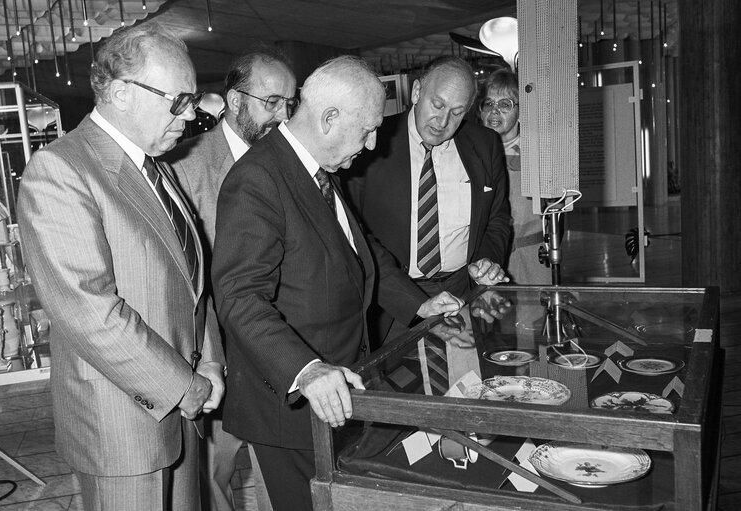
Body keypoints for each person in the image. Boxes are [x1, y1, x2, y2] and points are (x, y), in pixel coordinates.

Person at [211, 55, 463, 511]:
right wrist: (304, 369)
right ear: (329, 118)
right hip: (293, 405)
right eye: (366, 130)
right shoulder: (257, 180)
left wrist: (419, 304)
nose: (370, 146)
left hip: (339, 389)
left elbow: (361, 252)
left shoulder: (317, 169)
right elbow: (239, 297)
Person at [17, 23, 224, 511]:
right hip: (123, 427)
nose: (191, 115)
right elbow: (89, 311)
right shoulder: (60, 170)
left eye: (192, 100)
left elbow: (193, 282)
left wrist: (210, 359)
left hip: (183, 406)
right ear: (120, 93)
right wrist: (184, 386)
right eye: (178, 101)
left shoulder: (158, 167)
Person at [167, 47, 296, 511]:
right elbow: (183, 279)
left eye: (290, 104)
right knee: (215, 476)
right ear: (235, 101)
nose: (284, 116)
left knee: (281, 479)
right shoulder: (184, 166)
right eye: (272, 102)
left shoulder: (292, 162)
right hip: (220, 353)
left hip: (283, 349)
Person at [345, 56, 512, 343]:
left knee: (464, 384)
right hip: (391, 304)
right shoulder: (371, 143)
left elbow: (497, 218)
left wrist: (486, 260)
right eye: (438, 105)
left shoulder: (484, 144)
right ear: (417, 91)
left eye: (457, 112)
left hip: (462, 297)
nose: (443, 121)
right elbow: (355, 236)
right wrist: (412, 302)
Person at [480, 68, 551, 284]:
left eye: (505, 104)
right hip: (486, 262)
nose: (494, 112)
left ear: (521, 111)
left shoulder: (538, 155)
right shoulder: (470, 154)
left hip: (530, 262)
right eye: (488, 104)